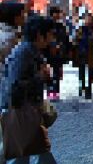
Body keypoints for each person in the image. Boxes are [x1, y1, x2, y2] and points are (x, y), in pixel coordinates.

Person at [0, 15, 57, 164]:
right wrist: (40, 76)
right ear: (39, 34)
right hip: (22, 113)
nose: (52, 38)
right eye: (50, 34)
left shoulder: (32, 51)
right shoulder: (23, 54)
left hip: (29, 112)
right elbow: (15, 86)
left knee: (28, 155)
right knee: (28, 156)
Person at [74, 12, 93, 99]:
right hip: (82, 52)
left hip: (91, 52)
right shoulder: (81, 28)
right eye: (87, 19)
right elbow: (75, 38)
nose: (88, 21)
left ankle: (89, 87)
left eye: (90, 19)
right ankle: (82, 85)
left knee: (91, 71)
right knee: (82, 70)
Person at [45, 7, 70, 101]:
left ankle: (55, 93)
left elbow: (66, 39)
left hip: (59, 54)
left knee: (57, 74)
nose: (58, 15)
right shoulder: (46, 26)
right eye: (56, 13)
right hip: (49, 54)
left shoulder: (61, 26)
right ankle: (50, 92)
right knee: (49, 74)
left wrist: (64, 49)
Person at [0, 1, 26, 78]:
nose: (25, 17)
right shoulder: (9, 39)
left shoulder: (12, 33)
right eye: (22, 14)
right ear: (14, 17)